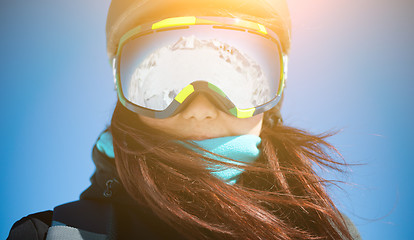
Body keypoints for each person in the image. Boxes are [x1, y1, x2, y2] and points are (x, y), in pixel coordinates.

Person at [7, 0, 362, 239]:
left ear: (275, 90)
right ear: (123, 90)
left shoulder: (327, 231)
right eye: (161, 84)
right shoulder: (57, 234)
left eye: (236, 80)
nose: (198, 108)